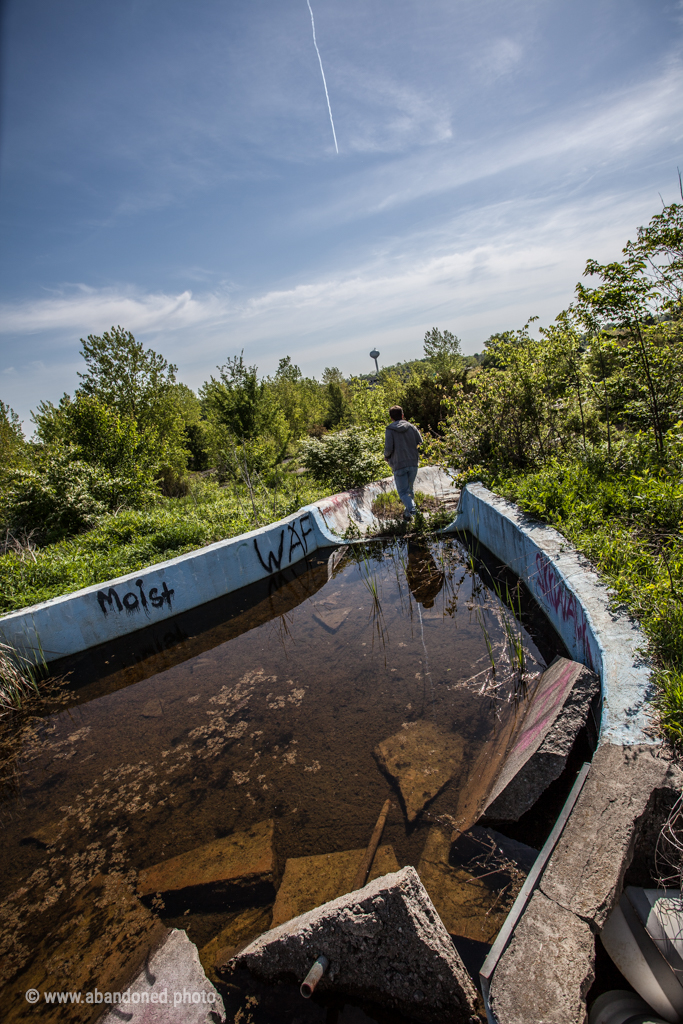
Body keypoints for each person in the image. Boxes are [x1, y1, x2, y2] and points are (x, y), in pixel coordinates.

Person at [384, 405, 422, 520]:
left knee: (403, 493)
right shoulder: (412, 427)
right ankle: (407, 515)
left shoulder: (390, 429)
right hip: (413, 463)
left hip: (398, 464)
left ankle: (414, 512)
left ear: (391, 418)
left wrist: (386, 456)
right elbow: (420, 442)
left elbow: (389, 448)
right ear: (402, 415)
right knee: (409, 490)